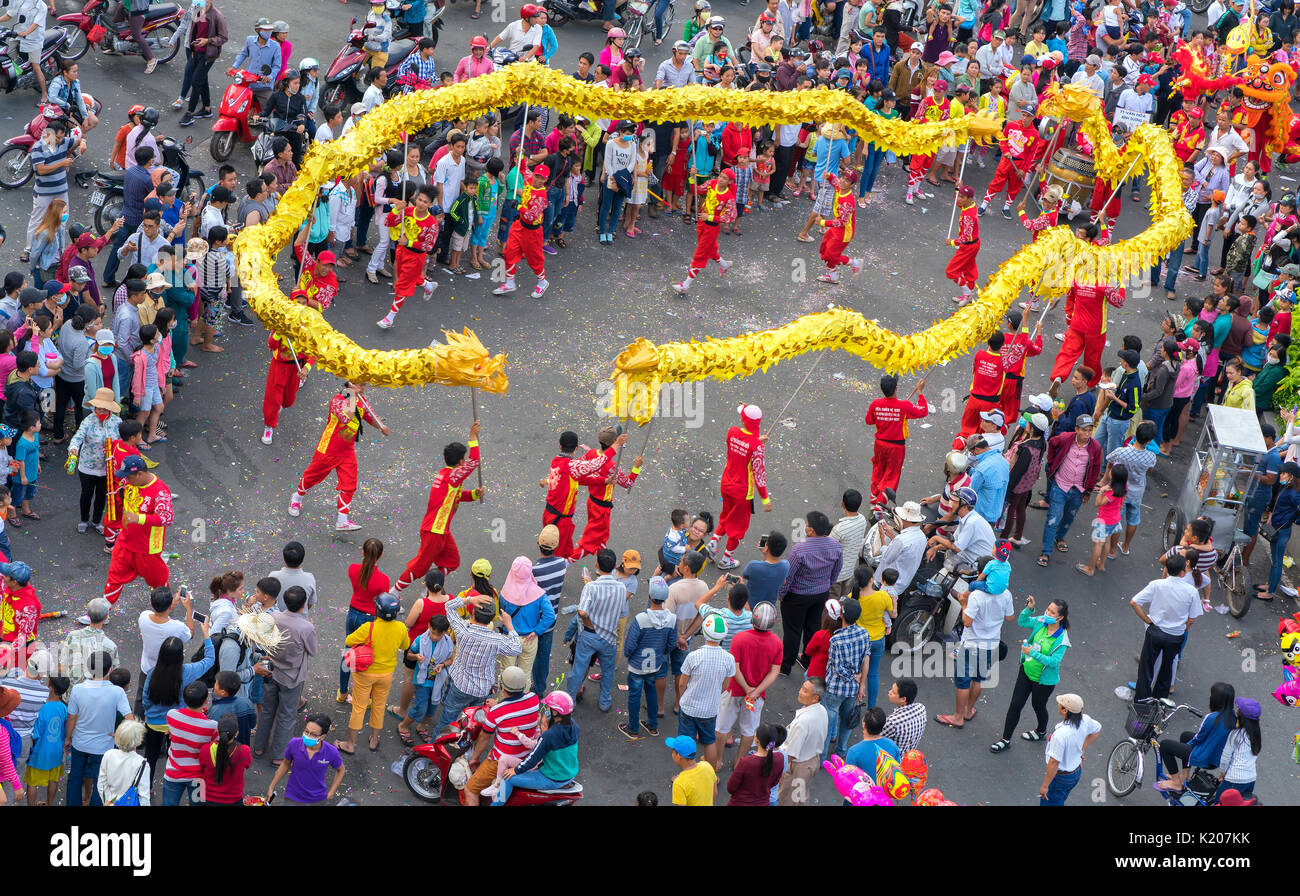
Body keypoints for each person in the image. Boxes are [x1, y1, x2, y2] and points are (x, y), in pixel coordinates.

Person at [391, 422, 483, 591]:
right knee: (420, 567)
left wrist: (476, 494)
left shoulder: (447, 475)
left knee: (452, 561)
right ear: (460, 460)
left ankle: (429, 588)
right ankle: (394, 592)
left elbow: (457, 496)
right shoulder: (452, 476)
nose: (466, 461)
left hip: (442, 531)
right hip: (434, 531)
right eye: (464, 458)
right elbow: (475, 461)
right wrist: (473, 436)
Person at [288, 382, 389, 530]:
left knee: (349, 485)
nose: (362, 389)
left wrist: (381, 427)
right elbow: (347, 417)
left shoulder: (361, 400)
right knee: (312, 478)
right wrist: (353, 396)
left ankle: (342, 521)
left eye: (364, 386)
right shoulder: (338, 400)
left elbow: (368, 415)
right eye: (359, 386)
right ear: (349, 384)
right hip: (328, 449)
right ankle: (297, 497)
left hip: (347, 451)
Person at [936, 563, 1014, 729]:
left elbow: (967, 622)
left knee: (963, 681)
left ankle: (957, 717)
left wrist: (964, 604)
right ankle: (968, 710)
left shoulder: (977, 595)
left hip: (972, 644)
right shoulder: (1006, 594)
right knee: (978, 679)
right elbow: (1009, 617)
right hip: (991, 643)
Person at [990, 596, 1071, 753]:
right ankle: (1005, 740)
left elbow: (1054, 662)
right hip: (1026, 672)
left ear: (1060, 617)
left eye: (1052, 612)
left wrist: (1032, 653)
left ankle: (1041, 731)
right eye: (1048, 609)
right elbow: (1022, 621)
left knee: (1038, 706)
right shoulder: (1041, 621)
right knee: (1015, 705)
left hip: (1043, 681)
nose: (1047, 613)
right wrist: (1029, 608)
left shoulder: (1061, 639)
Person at [94, 456, 172, 618]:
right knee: (114, 577)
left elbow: (167, 518)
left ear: (141, 474)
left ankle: (164, 612)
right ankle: (103, 613)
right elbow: (120, 491)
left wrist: (140, 518)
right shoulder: (128, 482)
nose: (125, 480)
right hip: (125, 541)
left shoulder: (160, 491)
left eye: (128, 476)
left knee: (159, 583)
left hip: (147, 548)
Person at [436, 591, 522, 734]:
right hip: (483, 690)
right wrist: (510, 625)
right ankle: (464, 750)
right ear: (491, 620)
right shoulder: (496, 640)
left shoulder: (463, 630)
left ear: (473, 614)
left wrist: (469, 599)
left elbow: (448, 606)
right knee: (473, 723)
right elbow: (516, 648)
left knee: (447, 720)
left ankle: (439, 747)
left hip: (460, 686)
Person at [253, 585, 317, 761]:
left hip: (271, 669)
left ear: (284, 602)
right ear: (303, 605)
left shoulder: (274, 616)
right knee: (286, 715)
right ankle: (278, 755)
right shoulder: (305, 627)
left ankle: (259, 747)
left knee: (267, 710)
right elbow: (312, 650)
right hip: (292, 676)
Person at [704, 403, 771, 571]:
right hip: (743, 492)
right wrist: (765, 498)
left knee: (726, 515)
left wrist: (757, 442)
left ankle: (713, 543)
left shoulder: (732, 432)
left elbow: (743, 444)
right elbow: (759, 475)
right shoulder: (757, 447)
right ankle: (726, 559)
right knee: (738, 526)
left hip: (726, 484)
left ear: (743, 420)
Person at [462, 665, 540, 806]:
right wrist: (498, 705)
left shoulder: (497, 712)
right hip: (527, 756)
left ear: (503, 689)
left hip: (500, 761)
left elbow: (484, 738)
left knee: (470, 789)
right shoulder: (534, 699)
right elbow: (516, 708)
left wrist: (474, 758)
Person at [1131, 553, 1203, 701]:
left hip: (1155, 631)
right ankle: (1158, 703)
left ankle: (1141, 702)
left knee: (1146, 668)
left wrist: (1147, 619)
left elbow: (1134, 602)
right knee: (1167, 668)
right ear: (1183, 572)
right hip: (1175, 636)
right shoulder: (1191, 591)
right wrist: (1183, 628)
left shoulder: (1156, 584)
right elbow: (1192, 618)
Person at [778, 511, 843, 674]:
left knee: (793, 631)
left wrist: (782, 594)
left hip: (796, 596)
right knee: (812, 627)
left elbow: (788, 575)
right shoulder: (835, 546)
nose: (805, 527)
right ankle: (807, 659)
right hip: (820, 594)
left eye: (806, 525)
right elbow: (836, 571)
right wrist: (827, 585)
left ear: (812, 531)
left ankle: (786, 666)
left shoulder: (799, 550)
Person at [489, 690, 579, 806]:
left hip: (551, 778)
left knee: (507, 777)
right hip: (568, 774)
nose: (545, 710)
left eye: (547, 708)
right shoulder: (574, 726)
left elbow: (532, 759)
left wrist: (515, 770)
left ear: (555, 712)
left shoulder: (549, 736)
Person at [564, 549, 628, 713]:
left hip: (589, 636)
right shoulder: (621, 587)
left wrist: (589, 623)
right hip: (609, 638)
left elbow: (582, 611)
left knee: (577, 671)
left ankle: (568, 702)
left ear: (597, 565)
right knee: (607, 672)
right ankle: (604, 701)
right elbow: (621, 612)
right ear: (615, 566)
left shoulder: (591, 587)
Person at [67, 650, 133, 806]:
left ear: (89, 669)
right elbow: (129, 719)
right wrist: (118, 735)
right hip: (104, 747)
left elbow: (72, 717)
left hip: (80, 743)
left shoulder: (77, 689)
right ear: (110, 669)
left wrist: (68, 738)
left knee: (75, 778)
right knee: (101, 783)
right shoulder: (117, 692)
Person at [1037, 415, 1102, 567]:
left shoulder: (1096, 447)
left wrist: (1088, 491)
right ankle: (1046, 552)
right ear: (1076, 430)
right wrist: (1051, 463)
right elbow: (1052, 443)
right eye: (1084, 430)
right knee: (1052, 520)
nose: (1087, 434)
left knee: (1069, 517)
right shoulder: (1065, 438)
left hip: (1078, 490)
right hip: (1060, 485)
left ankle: (1059, 537)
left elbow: (1095, 470)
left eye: (1090, 430)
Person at [620, 575, 676, 740]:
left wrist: (628, 655)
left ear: (650, 596)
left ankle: (633, 728)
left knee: (635, 695)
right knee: (651, 692)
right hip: (655, 664)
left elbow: (630, 644)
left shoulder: (640, 619)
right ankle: (652, 725)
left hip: (637, 665)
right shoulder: (672, 620)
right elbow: (671, 643)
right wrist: (662, 653)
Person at [864, 374, 929, 505]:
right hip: (896, 448)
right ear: (896, 389)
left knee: (878, 471)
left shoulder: (875, 404)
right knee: (891, 477)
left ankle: (873, 498)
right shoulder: (904, 406)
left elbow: (869, 421)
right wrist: (920, 392)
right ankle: (879, 507)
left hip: (879, 446)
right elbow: (923, 411)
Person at [264, 713, 345, 805]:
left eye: (313, 734)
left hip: (318, 799)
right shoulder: (294, 744)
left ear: (323, 736)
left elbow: (341, 770)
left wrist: (331, 792)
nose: (308, 736)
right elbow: (285, 764)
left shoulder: (331, 752)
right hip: (293, 797)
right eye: (306, 731)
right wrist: (271, 787)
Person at [1039, 693, 1101, 805]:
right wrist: (1082, 749)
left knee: (1052, 802)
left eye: (1060, 704)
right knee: (1060, 798)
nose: (1058, 704)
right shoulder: (1085, 720)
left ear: (1064, 711)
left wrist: (1045, 786)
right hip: (1075, 773)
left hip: (1060, 777)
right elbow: (1097, 729)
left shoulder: (1061, 734)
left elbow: (1053, 762)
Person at [778, 676, 827, 806]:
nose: (800, 691)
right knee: (800, 795)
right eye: (802, 688)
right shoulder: (821, 710)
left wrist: (778, 770)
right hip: (812, 760)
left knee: (788, 799)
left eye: (805, 691)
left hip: (798, 766)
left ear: (815, 698)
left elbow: (791, 754)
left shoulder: (803, 722)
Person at [726, 721, 786, 806]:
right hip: (763, 802)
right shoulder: (780, 758)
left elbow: (731, 788)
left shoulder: (746, 762)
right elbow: (774, 782)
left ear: (756, 741)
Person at [1214, 698, 1261, 802]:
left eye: (1238, 711)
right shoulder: (1256, 735)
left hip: (1233, 780)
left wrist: (1222, 773)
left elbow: (1225, 758)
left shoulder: (1235, 735)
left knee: (1220, 803)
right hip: (1250, 779)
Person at [667, 734, 716, 805]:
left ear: (679, 756)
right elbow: (715, 793)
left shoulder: (679, 783)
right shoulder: (707, 766)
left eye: (673, 752)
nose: (672, 754)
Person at [881, 679, 926, 753]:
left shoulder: (892, 722)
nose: (889, 692)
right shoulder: (921, 708)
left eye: (893, 692)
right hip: (909, 757)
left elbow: (876, 739)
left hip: (893, 760)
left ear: (903, 699)